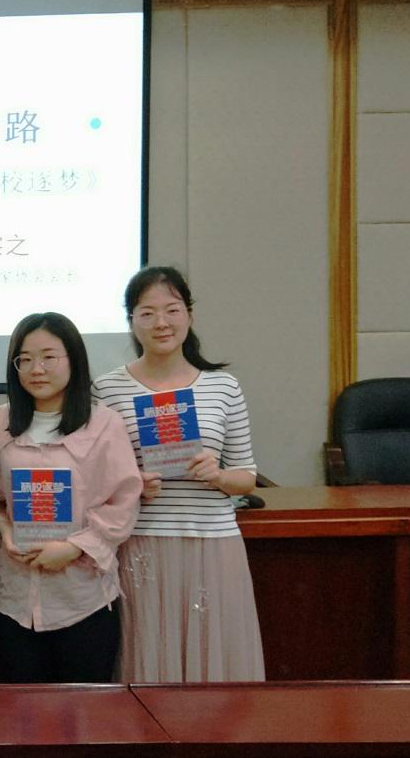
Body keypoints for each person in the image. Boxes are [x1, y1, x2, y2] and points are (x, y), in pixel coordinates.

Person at [93, 266, 265, 682]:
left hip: (213, 542)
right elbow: (95, 481)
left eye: (172, 310)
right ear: (131, 321)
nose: (161, 323)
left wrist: (218, 475)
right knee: (148, 661)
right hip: (141, 542)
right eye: (147, 313)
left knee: (214, 662)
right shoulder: (107, 389)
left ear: (189, 315)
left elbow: (246, 476)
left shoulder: (223, 387)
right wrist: (133, 484)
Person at [0, 312, 141, 683]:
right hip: (14, 596)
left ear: (74, 359)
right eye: (25, 359)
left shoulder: (104, 423)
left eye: (49, 357)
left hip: (82, 597)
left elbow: (124, 501)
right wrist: (5, 531)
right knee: (19, 709)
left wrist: (73, 548)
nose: (36, 369)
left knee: (82, 710)